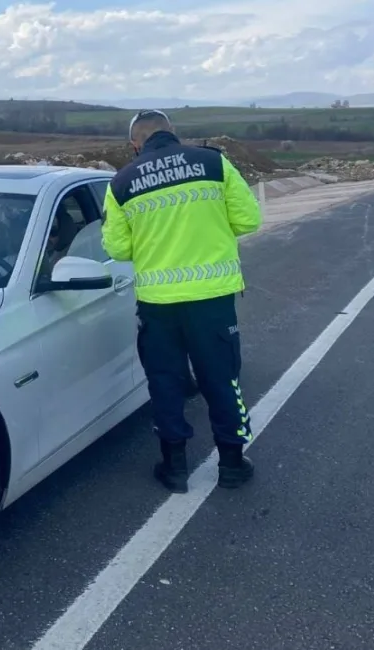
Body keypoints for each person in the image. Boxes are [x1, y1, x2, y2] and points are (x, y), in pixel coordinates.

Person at [101, 109, 262, 493]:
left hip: (158, 306)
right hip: (212, 301)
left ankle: (174, 467)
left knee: (166, 382)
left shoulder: (122, 182)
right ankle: (232, 464)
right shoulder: (213, 162)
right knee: (222, 379)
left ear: (134, 144)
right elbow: (248, 221)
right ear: (173, 134)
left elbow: (118, 248)